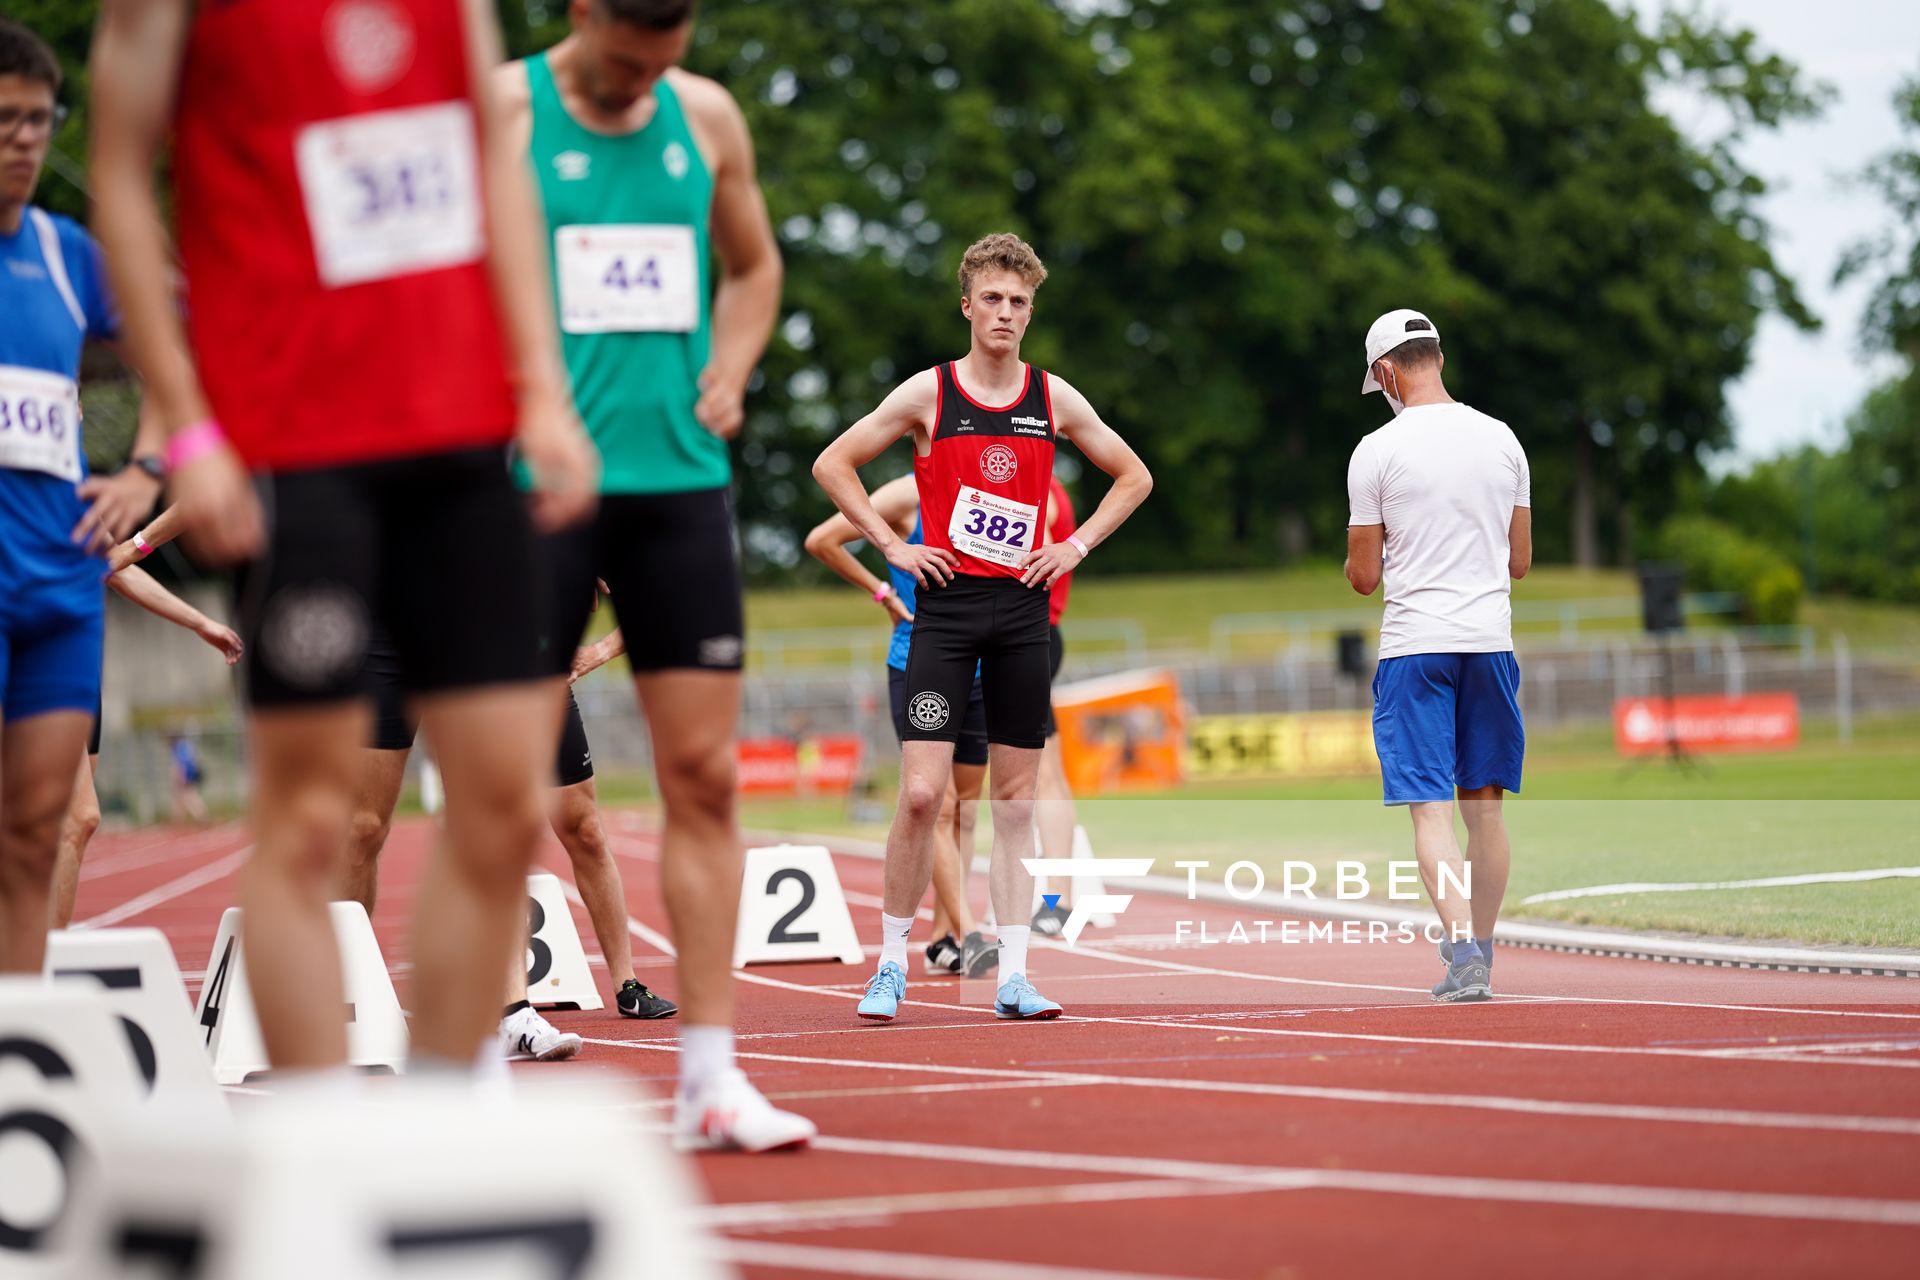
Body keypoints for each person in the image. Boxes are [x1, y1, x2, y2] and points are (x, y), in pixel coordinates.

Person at [91, 0, 600, 1075]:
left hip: (460, 440)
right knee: (312, 821)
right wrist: (191, 424)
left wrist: (543, 387)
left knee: (505, 804)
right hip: (299, 447)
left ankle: (451, 1111)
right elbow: (123, 186)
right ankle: (321, 1131)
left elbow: (491, 166)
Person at [495, 0, 811, 1149]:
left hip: (679, 488)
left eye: (666, 61)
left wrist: (729, 365)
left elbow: (756, 264)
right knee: (498, 789)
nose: (645, 83)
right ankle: (479, 1065)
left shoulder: (711, 117)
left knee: (704, 777)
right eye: (628, 61)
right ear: (582, 15)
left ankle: (711, 1079)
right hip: (538, 487)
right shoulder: (501, 109)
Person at [813, 232, 1152, 1024]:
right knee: (925, 796)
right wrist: (894, 543)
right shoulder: (929, 394)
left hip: (1021, 616)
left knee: (1016, 801)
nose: (1005, 313)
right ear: (967, 305)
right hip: (948, 612)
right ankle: (890, 963)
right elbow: (834, 463)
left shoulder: (1052, 398)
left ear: (1031, 313)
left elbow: (1133, 474)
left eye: (1019, 302)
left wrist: (1074, 544)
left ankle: (1013, 974)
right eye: (993, 299)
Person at [0, 19, 168, 972]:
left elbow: (175, 371)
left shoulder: (69, 255)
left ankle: (17, 1047)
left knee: (42, 834)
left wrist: (145, 470)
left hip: (61, 593)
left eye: (39, 119)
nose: (27, 139)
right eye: (5, 120)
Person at [336, 621, 679, 1063]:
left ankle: (525, 1010)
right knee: (363, 827)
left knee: (553, 826)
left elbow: (637, 576)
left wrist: (596, 647)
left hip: (501, 641)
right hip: (391, 634)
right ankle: (345, 990)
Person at [1343, 308, 1531, 1003]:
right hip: (1489, 642)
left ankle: (1462, 957)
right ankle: (1482, 945)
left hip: (1416, 647)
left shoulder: (1376, 450)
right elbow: (1520, 561)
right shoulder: (1504, 439)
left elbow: (1365, 578)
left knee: (1430, 812)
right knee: (1486, 811)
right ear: (1439, 358)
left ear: (1387, 372)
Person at [803, 474, 998, 977]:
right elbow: (821, 540)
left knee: (966, 813)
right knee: (936, 803)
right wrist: (883, 593)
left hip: (983, 664)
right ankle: (973, 931)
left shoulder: (993, 482)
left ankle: (944, 937)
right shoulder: (907, 493)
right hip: (918, 659)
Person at [51, 509, 241, 928]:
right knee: (77, 819)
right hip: (34, 659)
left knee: (62, 832)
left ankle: (35, 960)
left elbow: (113, 565)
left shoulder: (66, 480)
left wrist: (199, 622)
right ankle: (41, 969)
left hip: (80, 664)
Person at [1030, 472, 1081, 937]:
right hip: (1037, 633)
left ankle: (1056, 899)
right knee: (1047, 770)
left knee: (1042, 772)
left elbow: (1036, 546)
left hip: (1028, 632)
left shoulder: (1038, 485)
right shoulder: (1047, 480)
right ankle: (1057, 898)